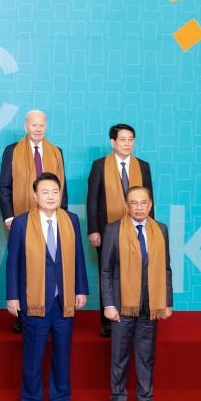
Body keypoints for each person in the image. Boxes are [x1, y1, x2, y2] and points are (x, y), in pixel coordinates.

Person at [5, 172, 88, 401]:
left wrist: (81, 289)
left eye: (55, 192)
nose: (50, 196)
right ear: (35, 195)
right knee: (33, 354)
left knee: (62, 354)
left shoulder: (71, 220)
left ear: (60, 194)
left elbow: (79, 256)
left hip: (64, 300)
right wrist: (12, 296)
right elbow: (13, 262)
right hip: (34, 299)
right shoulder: (21, 223)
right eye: (45, 192)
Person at [101, 186, 172, 401]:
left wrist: (166, 301)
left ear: (150, 205)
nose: (139, 207)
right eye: (134, 203)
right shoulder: (113, 230)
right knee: (119, 355)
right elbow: (107, 270)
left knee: (146, 356)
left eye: (143, 203)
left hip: (151, 304)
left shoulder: (161, 229)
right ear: (126, 205)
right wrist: (109, 303)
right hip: (122, 305)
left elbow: (166, 268)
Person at [0, 110, 67, 334]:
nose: (38, 129)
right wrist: (9, 216)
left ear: (46, 127)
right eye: (33, 125)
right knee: (22, 263)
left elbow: (61, 189)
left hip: (51, 219)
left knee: (49, 262)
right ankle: (22, 314)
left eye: (42, 125)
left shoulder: (56, 152)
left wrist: (63, 217)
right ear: (25, 127)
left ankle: (49, 309)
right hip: (21, 219)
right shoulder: (12, 151)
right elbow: (5, 187)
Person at [87, 124, 155, 337]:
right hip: (107, 230)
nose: (127, 144)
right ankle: (107, 321)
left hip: (137, 230)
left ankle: (133, 315)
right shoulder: (99, 165)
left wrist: (151, 229)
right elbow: (92, 200)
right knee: (107, 274)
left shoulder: (143, 166)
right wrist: (93, 229)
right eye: (122, 140)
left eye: (130, 139)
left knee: (136, 272)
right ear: (113, 142)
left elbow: (149, 199)